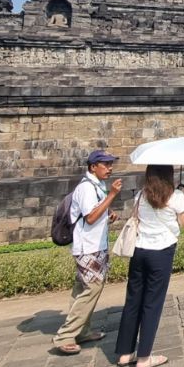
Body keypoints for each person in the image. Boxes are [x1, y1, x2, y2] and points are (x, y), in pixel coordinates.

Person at [115, 164, 184, 367]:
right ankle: (144, 357)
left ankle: (124, 352)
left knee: (133, 301)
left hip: (139, 251)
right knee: (152, 303)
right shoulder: (175, 196)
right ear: (170, 175)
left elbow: (135, 216)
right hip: (161, 252)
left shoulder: (141, 194)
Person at [53, 150, 123, 355]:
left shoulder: (96, 186)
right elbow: (91, 217)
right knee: (91, 288)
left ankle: (82, 330)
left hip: (95, 245)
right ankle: (65, 335)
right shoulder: (86, 188)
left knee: (82, 289)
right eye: (106, 165)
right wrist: (112, 195)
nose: (110, 168)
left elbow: (94, 215)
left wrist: (108, 215)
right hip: (87, 248)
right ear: (93, 167)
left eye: (111, 164)